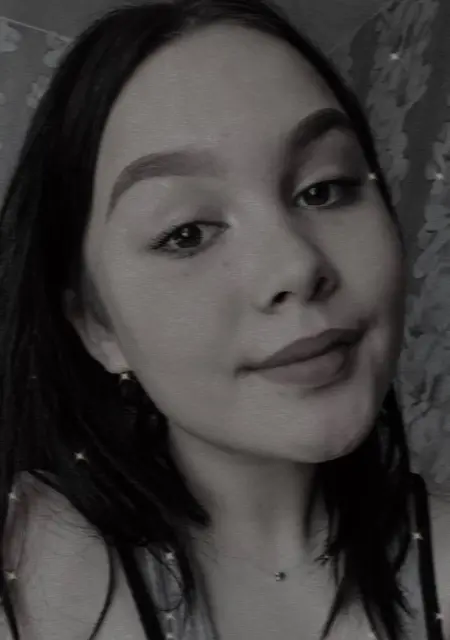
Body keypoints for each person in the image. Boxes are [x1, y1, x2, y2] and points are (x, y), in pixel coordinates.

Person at [0, 0, 449, 638]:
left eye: (324, 189)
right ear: (98, 326)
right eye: (186, 233)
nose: (297, 266)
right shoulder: (28, 563)